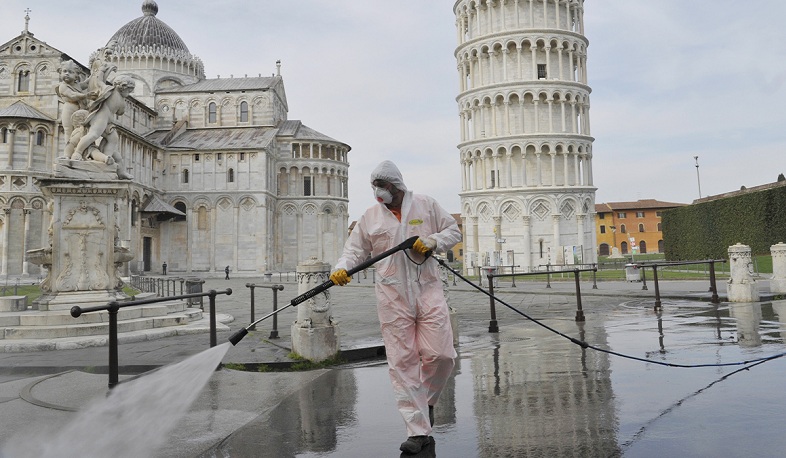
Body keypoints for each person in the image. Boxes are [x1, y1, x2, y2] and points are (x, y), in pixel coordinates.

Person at [330, 160, 461, 455]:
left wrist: (433, 240)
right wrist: (342, 268)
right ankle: (417, 431)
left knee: (442, 355)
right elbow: (354, 251)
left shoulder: (426, 206)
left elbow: (454, 231)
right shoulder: (370, 217)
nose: (378, 192)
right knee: (402, 363)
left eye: (383, 187)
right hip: (392, 296)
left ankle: (425, 400)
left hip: (427, 289)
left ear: (396, 186)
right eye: (375, 187)